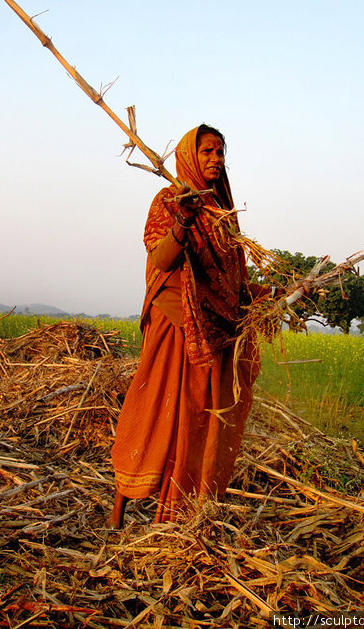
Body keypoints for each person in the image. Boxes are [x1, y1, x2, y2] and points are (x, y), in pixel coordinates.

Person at [108, 124, 268, 526]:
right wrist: (183, 219)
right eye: (207, 152)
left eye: (220, 152)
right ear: (188, 157)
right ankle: (118, 509)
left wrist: (270, 293)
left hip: (212, 330)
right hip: (174, 321)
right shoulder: (169, 200)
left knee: (196, 419)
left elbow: (231, 282)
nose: (216, 159)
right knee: (152, 410)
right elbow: (162, 260)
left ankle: (180, 513)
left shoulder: (223, 214)